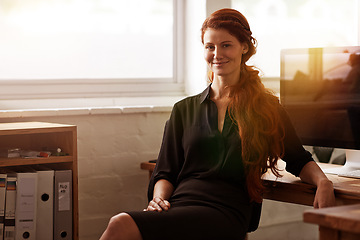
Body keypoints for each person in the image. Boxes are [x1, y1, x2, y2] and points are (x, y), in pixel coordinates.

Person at [99, 8, 335, 240]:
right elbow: (165, 171)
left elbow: (297, 158)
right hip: (181, 203)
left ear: (244, 47)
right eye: (209, 46)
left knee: (121, 224)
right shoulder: (184, 109)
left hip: (228, 209)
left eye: (226, 45)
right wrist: (159, 200)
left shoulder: (267, 107)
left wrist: (323, 182)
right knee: (124, 225)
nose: (216, 54)